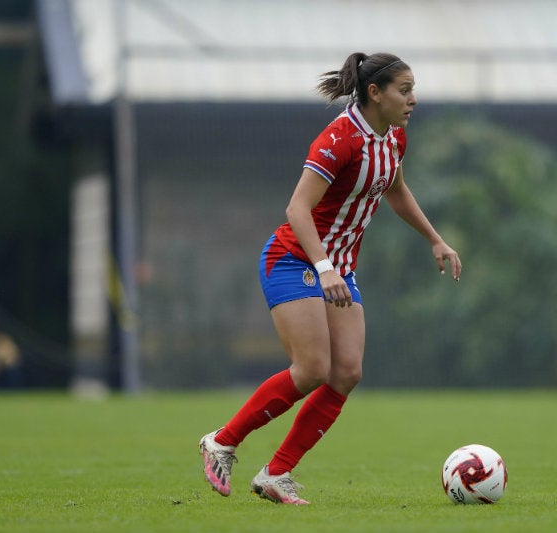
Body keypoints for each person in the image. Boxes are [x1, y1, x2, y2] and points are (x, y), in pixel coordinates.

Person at [198, 52, 462, 504]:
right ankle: (221, 441)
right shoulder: (340, 138)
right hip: (294, 260)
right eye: (404, 90)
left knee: (346, 372)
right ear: (375, 93)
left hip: (337, 268)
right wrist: (324, 268)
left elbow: (396, 190)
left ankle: (276, 474)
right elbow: (297, 209)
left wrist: (435, 239)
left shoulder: (394, 137)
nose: (413, 99)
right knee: (312, 369)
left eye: (413, 90)